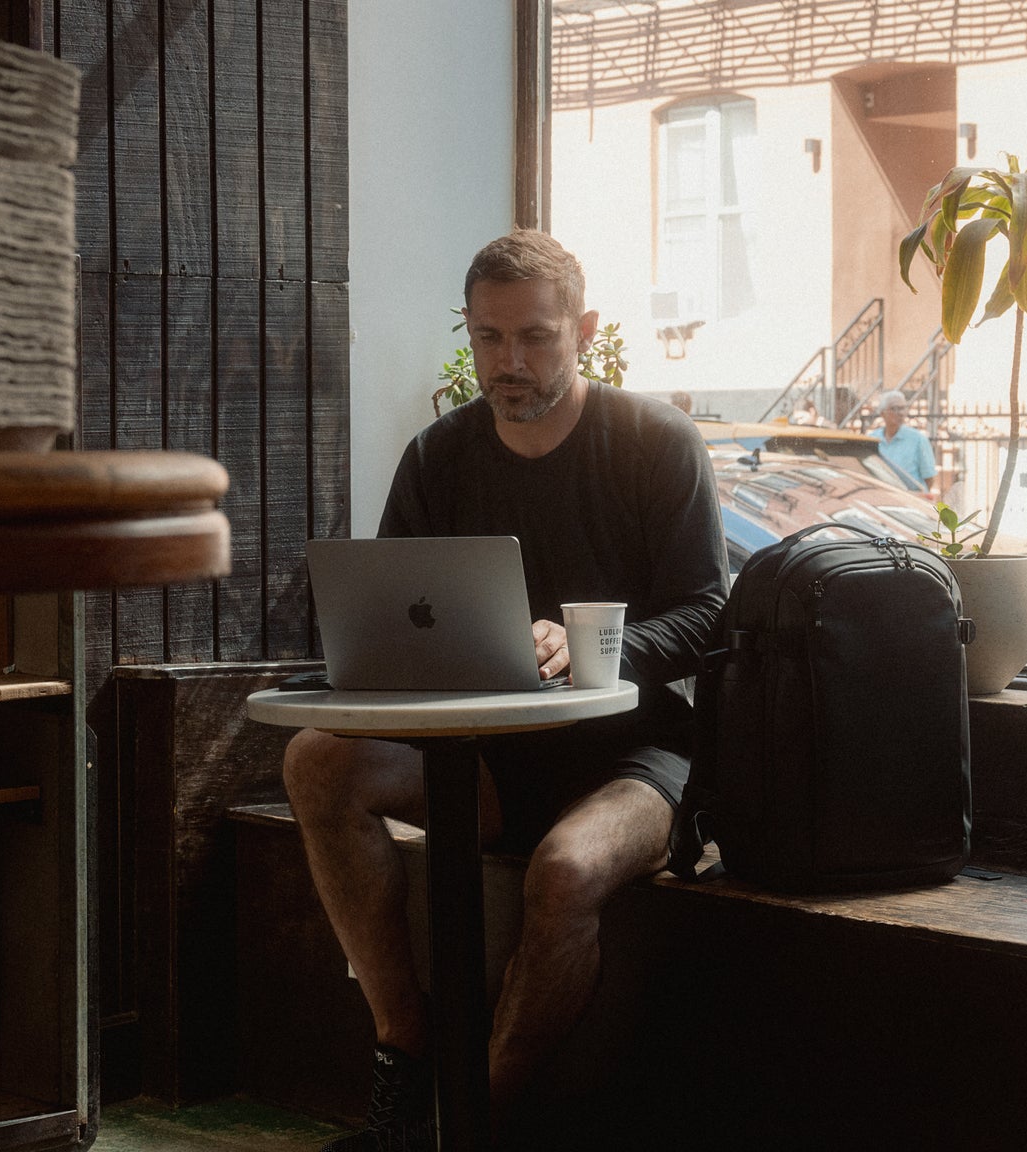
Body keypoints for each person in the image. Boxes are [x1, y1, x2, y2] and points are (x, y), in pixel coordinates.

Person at [281, 230, 728, 1150]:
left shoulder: (655, 443)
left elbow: (709, 613)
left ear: (584, 332)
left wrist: (592, 645)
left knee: (564, 871)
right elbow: (393, 612)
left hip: (641, 759)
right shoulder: (439, 457)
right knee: (316, 761)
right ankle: (404, 1050)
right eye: (488, 337)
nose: (508, 361)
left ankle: (471, 1122)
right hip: (489, 760)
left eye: (534, 337)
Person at [871, 390, 938, 496]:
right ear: (882, 413)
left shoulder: (918, 439)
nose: (901, 413)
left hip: (910, 499)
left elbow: (929, 478)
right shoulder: (873, 439)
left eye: (903, 408)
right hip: (881, 497)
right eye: (895, 408)